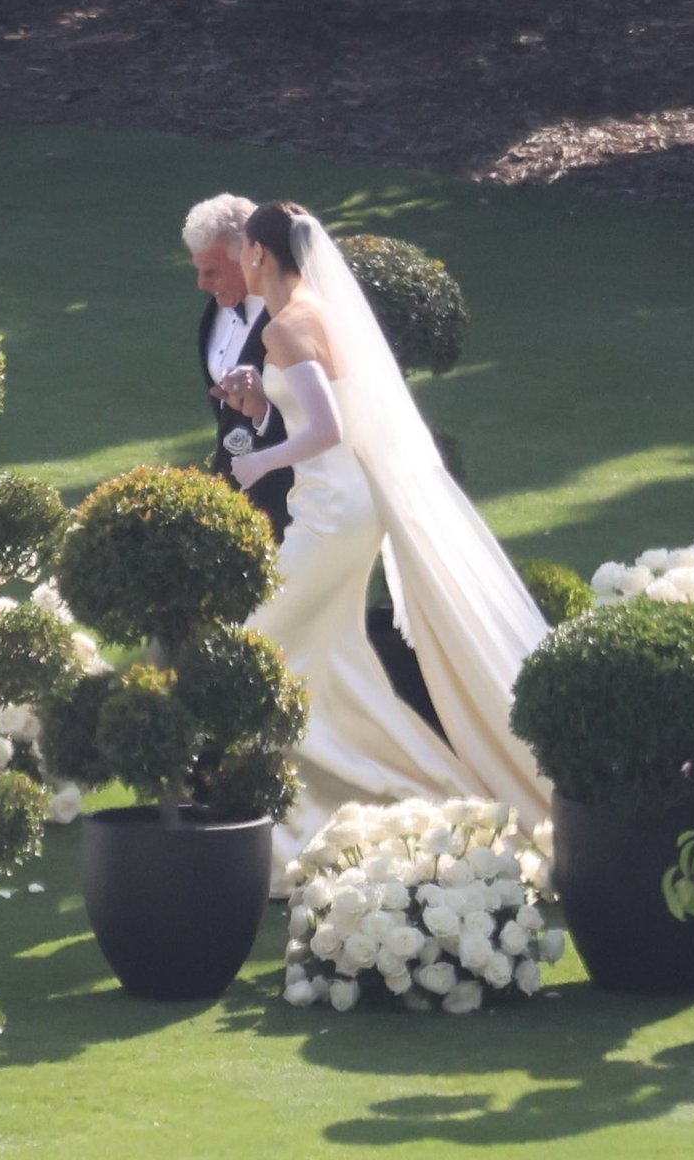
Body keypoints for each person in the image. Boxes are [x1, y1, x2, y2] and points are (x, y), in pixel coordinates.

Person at [229, 201, 552, 871]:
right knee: (327, 653)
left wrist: (260, 460)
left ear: (260, 255)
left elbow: (327, 431)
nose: (239, 265)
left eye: (242, 253)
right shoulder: (312, 314)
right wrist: (260, 404)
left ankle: (378, 792)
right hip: (340, 502)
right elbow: (325, 405)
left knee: (261, 640)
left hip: (332, 509)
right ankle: (331, 788)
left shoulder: (285, 327)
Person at [182, 193, 293, 540]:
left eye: (212, 271)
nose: (201, 284)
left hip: (287, 500)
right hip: (230, 492)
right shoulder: (211, 314)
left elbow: (324, 417)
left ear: (249, 257)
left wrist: (262, 412)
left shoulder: (289, 318)